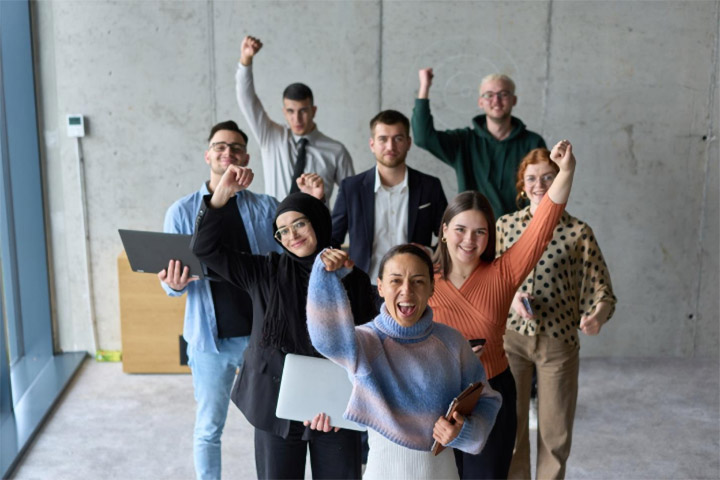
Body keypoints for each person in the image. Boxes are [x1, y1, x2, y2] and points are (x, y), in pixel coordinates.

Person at [191, 164, 376, 479]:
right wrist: (220, 194)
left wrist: (341, 275)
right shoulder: (265, 271)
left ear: (317, 222)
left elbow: (368, 340)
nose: (292, 236)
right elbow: (204, 249)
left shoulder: (351, 276)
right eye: (283, 231)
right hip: (274, 404)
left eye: (300, 224)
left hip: (334, 406)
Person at [428, 140, 577, 479]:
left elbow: (543, 226)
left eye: (481, 232)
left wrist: (566, 171)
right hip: (435, 395)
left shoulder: (504, 272)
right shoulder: (423, 279)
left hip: (492, 394)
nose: (470, 240)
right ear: (445, 230)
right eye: (461, 229)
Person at [305, 244, 502, 480]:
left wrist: (463, 432)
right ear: (380, 286)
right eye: (396, 280)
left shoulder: (452, 342)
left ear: (431, 288)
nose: (406, 290)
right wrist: (323, 273)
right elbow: (326, 339)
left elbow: (487, 400)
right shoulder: (365, 341)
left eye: (418, 281)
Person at [158, 120, 282, 480]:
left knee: (274, 422)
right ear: (208, 154)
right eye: (220, 146)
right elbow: (170, 285)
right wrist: (175, 283)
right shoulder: (181, 211)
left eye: (236, 148)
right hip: (210, 341)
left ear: (245, 157)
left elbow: (284, 264)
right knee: (209, 427)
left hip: (262, 335)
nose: (228, 152)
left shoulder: (266, 206)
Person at [498, 148, 617, 480]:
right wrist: (511, 299)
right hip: (510, 340)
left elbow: (602, 291)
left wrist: (597, 316)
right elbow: (490, 281)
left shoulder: (578, 232)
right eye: (532, 178)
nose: (539, 184)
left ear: (559, 180)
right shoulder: (505, 226)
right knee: (511, 429)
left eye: (548, 177)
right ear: (522, 184)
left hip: (559, 341)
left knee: (556, 433)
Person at [412, 68, 546, 219]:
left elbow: (544, 191)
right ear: (480, 102)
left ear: (514, 100)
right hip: (474, 232)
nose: (496, 100)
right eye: (489, 95)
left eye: (503, 94)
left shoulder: (533, 143)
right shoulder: (464, 141)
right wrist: (425, 86)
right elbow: (423, 137)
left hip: (520, 230)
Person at [331, 109, 447, 283]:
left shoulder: (430, 186)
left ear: (408, 143)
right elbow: (332, 239)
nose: (390, 147)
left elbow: (450, 235)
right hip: (364, 287)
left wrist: (430, 253)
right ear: (372, 144)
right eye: (383, 139)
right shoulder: (351, 188)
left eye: (398, 139)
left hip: (414, 287)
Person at [236, 35, 355, 203]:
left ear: (314, 111)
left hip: (317, 228)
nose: (297, 118)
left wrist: (334, 228)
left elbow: (351, 199)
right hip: (274, 225)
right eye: (291, 111)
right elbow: (247, 101)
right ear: (284, 112)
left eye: (303, 111)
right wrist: (246, 61)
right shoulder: (271, 137)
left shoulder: (336, 151)